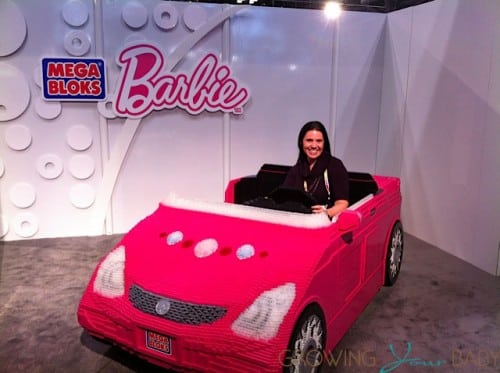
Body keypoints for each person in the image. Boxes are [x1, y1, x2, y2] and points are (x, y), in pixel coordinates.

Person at [283, 121, 349, 219]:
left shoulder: (335, 165)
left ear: (324, 143)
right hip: (297, 222)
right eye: (309, 140)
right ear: (301, 142)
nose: (314, 145)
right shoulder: (296, 170)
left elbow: (343, 203)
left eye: (319, 141)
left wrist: (326, 213)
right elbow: (284, 198)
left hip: (324, 224)